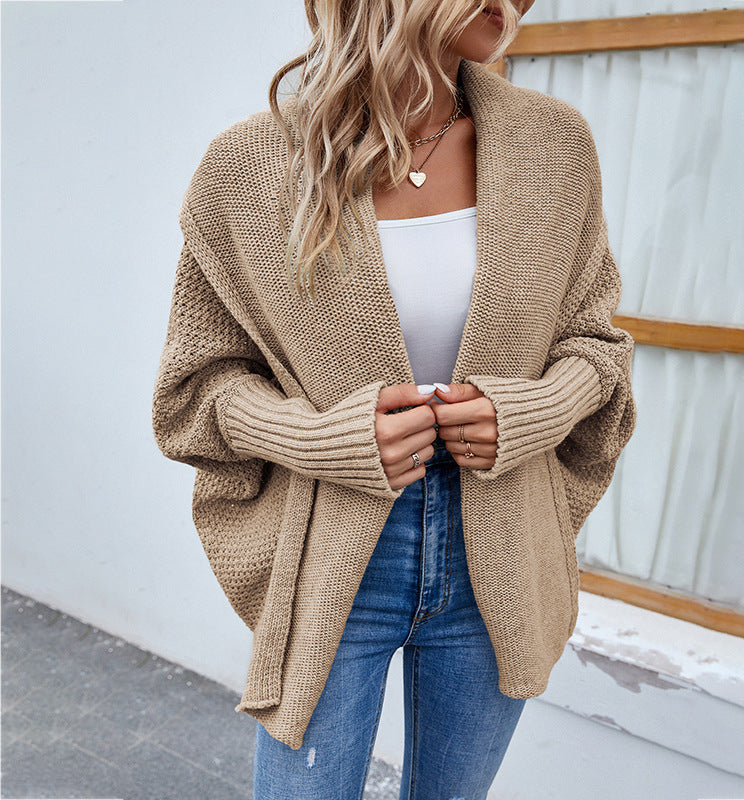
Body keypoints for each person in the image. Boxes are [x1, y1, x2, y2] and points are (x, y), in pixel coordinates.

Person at [151, 0, 636, 797]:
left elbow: (596, 346)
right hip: (336, 553)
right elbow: (196, 389)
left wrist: (528, 412)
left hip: (502, 551)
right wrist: (321, 438)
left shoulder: (555, 146)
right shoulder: (248, 167)